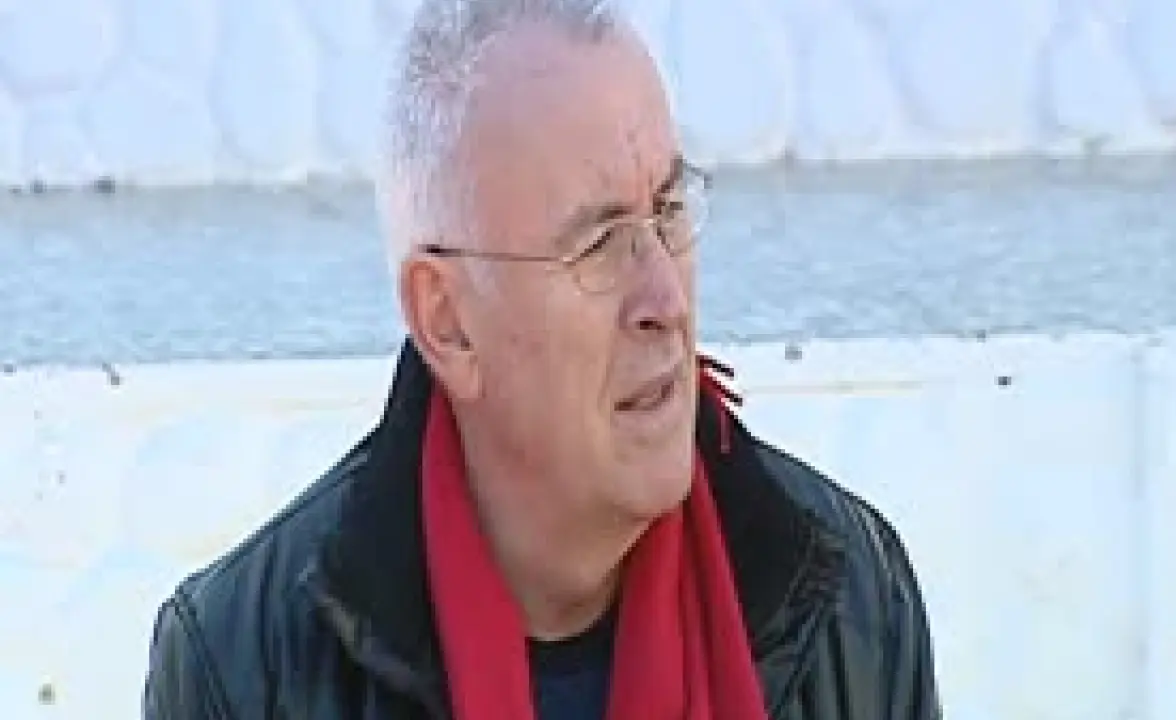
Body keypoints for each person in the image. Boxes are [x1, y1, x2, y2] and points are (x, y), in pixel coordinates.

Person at [141, 1, 942, 718]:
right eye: (599, 243)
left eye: (668, 210)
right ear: (449, 323)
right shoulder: (241, 673)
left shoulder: (851, 602)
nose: (666, 299)